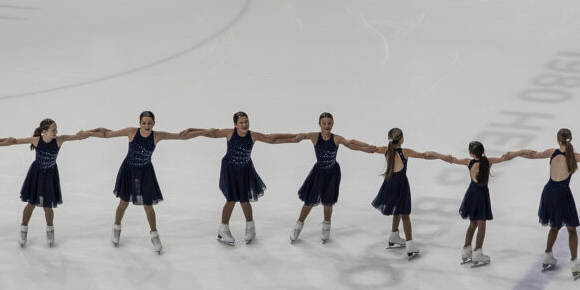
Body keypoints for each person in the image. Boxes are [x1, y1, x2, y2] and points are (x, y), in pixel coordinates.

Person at [84, 111, 213, 253]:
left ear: (154, 124)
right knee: (123, 203)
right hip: (128, 170)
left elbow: (182, 137)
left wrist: (204, 131)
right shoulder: (131, 132)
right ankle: (116, 227)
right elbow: (107, 134)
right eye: (144, 123)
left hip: (146, 173)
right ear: (139, 123)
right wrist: (88, 133)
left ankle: (154, 234)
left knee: (148, 206)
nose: (147, 126)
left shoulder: (157, 135)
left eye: (149, 123)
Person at [181, 112, 300, 245]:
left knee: (244, 200)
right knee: (231, 200)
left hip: (245, 170)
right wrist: (192, 129)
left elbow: (271, 139)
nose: (244, 124)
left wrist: (294, 137)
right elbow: (211, 133)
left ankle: (250, 228)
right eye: (241, 122)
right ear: (235, 124)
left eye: (246, 121)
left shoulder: (253, 135)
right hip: (230, 170)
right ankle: (223, 229)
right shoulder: (229, 133)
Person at [515, 128, 580, 278]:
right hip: (562, 194)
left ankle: (547, 255)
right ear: (571, 139)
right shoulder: (575, 156)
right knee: (572, 229)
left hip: (549, 192)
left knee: (554, 226)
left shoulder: (552, 152)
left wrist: (517, 152)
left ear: (558, 139)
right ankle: (574, 263)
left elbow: (532, 155)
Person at [0, 119, 93, 247]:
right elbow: (12, 141)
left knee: (48, 206)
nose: (56, 132)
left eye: (56, 129)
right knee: (31, 203)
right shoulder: (36, 140)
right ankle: (24, 228)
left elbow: (79, 136)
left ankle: (50, 229)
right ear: (44, 132)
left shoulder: (59, 140)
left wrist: (88, 132)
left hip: (50, 176)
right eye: (53, 130)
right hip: (36, 175)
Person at [286, 112, 377, 244]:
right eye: (324, 123)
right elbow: (298, 136)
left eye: (329, 123)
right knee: (309, 200)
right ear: (319, 124)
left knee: (328, 201)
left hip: (332, 172)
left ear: (333, 124)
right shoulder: (314, 136)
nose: (327, 125)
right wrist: (285, 137)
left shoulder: (337, 138)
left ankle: (326, 225)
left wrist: (365, 148)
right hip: (318, 173)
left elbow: (350, 144)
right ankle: (299, 224)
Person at [437, 141, 522, 266]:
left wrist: (437, 155)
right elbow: (506, 158)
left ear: (471, 153)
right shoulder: (488, 161)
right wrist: (521, 152)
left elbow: (452, 160)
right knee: (481, 225)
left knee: (473, 224)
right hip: (481, 196)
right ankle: (477, 252)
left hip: (471, 195)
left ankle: (466, 250)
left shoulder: (469, 162)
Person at [368, 127, 444, 260]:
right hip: (401, 185)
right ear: (401, 139)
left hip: (389, 183)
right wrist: (440, 156)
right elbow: (425, 156)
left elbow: (370, 149)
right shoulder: (405, 152)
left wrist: (353, 144)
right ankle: (410, 244)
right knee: (405, 214)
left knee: (396, 210)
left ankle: (394, 235)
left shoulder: (385, 150)